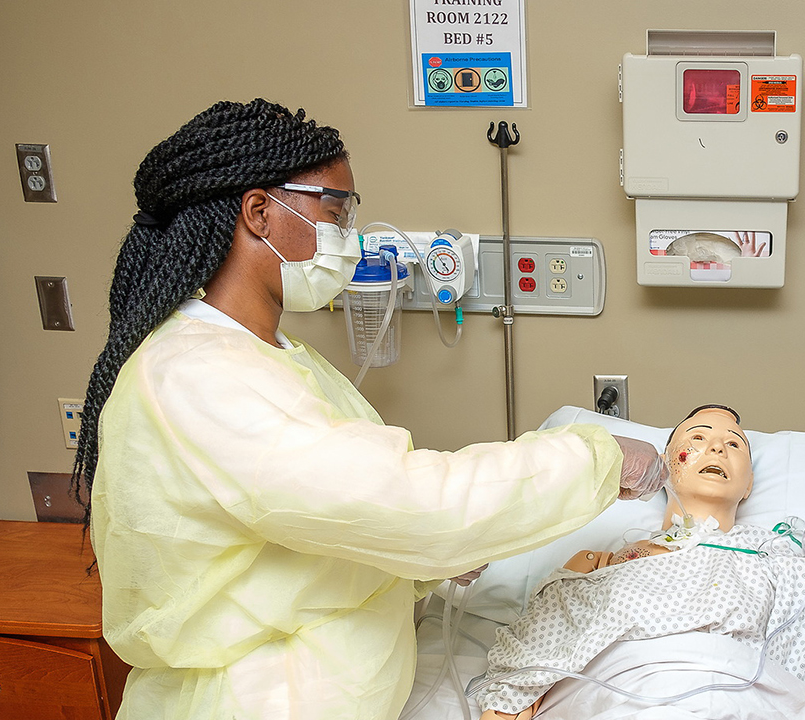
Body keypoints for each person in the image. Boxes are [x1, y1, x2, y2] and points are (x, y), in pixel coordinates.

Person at [74, 99, 669, 720]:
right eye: (334, 213)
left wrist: (429, 565)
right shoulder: (198, 377)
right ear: (259, 213)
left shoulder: (277, 358)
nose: (349, 240)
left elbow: (328, 527)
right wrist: (595, 457)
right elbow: (408, 499)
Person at [476, 405, 805, 720]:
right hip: (615, 697)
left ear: (750, 483)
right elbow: (527, 664)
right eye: (698, 439)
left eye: (734, 444)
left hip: (742, 701)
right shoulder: (600, 562)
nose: (717, 448)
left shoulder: (777, 558)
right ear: (665, 463)